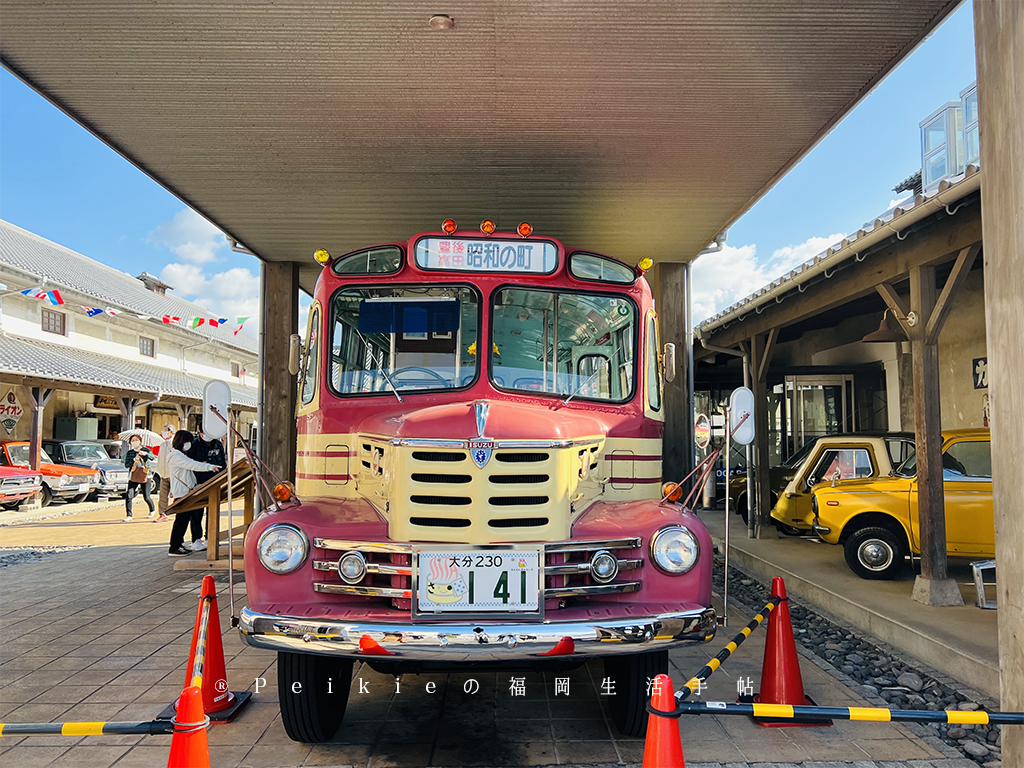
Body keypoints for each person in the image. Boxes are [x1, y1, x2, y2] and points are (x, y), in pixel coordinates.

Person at [167, 430, 219, 557]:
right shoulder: (176, 456)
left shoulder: (181, 454)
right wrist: (209, 467)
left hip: (186, 491)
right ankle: (174, 547)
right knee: (181, 520)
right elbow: (192, 465)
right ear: (181, 441)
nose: (189, 444)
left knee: (183, 520)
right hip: (182, 493)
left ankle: (178, 544)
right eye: (187, 441)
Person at [187, 427, 227, 548]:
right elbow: (190, 463)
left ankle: (211, 537)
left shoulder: (217, 444)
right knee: (196, 512)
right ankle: (196, 539)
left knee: (213, 512)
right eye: (203, 432)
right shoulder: (194, 444)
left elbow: (222, 464)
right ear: (199, 432)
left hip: (215, 483)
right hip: (198, 483)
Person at [123, 435, 155, 521]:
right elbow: (126, 465)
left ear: (140, 441)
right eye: (132, 440)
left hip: (145, 475)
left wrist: (146, 454)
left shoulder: (145, 449)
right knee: (129, 495)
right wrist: (134, 459)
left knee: (146, 496)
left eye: (136, 440)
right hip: (134, 475)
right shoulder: (130, 453)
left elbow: (152, 457)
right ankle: (129, 515)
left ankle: (152, 510)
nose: (134, 442)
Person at [154, 423, 175, 522]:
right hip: (163, 474)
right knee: (162, 496)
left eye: (166, 430)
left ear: (172, 432)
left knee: (177, 495)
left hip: (174, 475)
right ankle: (162, 513)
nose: (164, 432)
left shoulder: (175, 444)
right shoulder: (162, 444)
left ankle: (179, 512)